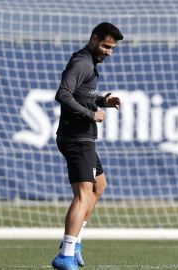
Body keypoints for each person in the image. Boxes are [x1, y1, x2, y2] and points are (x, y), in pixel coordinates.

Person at [51, 22, 123, 270]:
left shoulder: (90, 63)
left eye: (112, 48)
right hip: (76, 138)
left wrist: (103, 100)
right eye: (105, 46)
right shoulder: (82, 61)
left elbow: (83, 93)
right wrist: (91, 115)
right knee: (83, 195)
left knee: (99, 186)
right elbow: (63, 94)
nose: (108, 52)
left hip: (84, 138)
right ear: (93, 39)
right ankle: (66, 254)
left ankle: (76, 243)